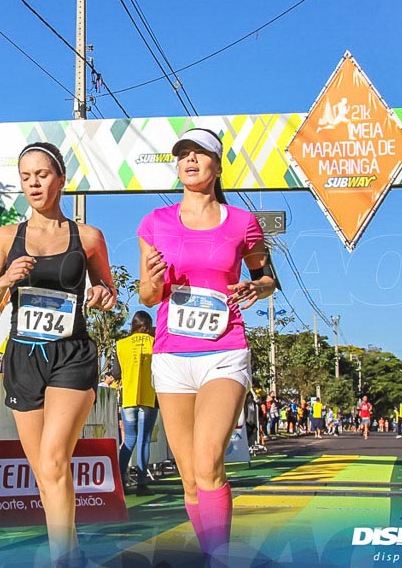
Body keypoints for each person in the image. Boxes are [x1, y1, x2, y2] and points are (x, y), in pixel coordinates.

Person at [137, 128, 275, 565]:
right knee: (190, 477)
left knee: (209, 459)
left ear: (217, 165)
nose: (190, 161)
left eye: (200, 154)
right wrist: (155, 281)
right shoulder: (154, 222)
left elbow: (266, 276)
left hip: (225, 348)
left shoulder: (242, 222)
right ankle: (209, 552)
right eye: (183, 155)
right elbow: (145, 294)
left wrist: (259, 287)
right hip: (172, 355)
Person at [0, 141, 116, 567]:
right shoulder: (5, 236)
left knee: (56, 458)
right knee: (44, 471)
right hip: (23, 356)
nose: (33, 183)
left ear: (60, 179)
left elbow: (109, 290)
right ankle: (70, 549)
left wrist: (101, 293)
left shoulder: (88, 236)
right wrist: (5, 280)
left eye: (41, 174)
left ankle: (62, 560)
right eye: (25, 177)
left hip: (71, 354)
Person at [116, 311, 159, 496]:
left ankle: (120, 479)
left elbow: (116, 373)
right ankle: (142, 482)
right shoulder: (155, 343)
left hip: (128, 397)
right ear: (148, 325)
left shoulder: (120, 344)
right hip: (149, 397)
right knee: (144, 439)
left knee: (130, 439)